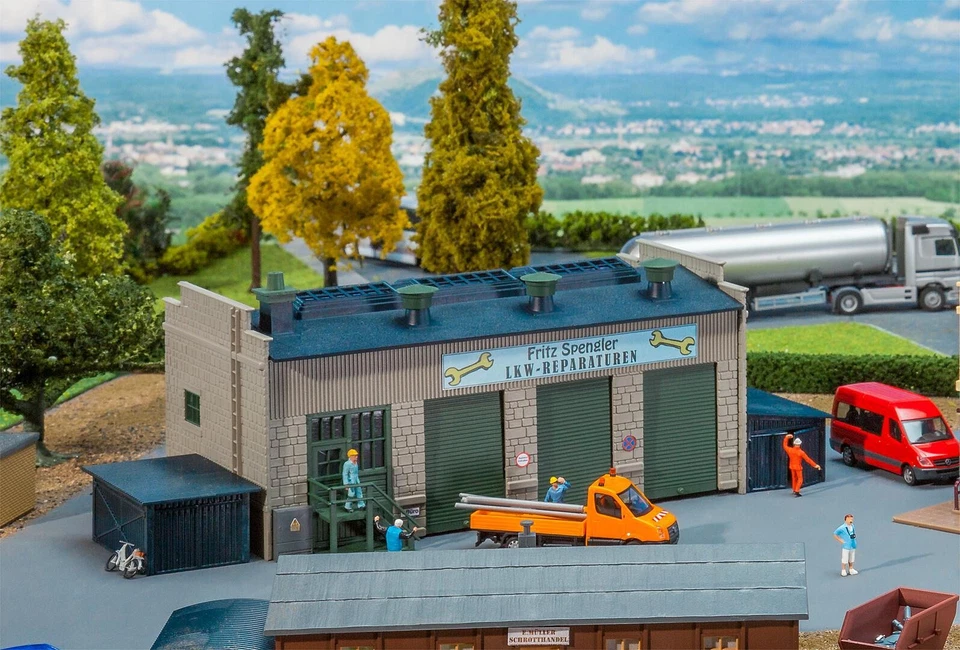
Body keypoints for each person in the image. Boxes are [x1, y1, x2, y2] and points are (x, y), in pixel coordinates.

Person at [783, 433, 821, 497]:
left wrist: (786, 438)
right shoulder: (801, 452)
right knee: (800, 479)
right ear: (800, 444)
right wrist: (815, 465)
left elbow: (784, 445)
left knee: (794, 478)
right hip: (798, 467)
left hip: (792, 466)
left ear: (794, 444)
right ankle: (797, 491)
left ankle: (794, 489)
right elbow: (808, 460)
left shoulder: (790, 450)